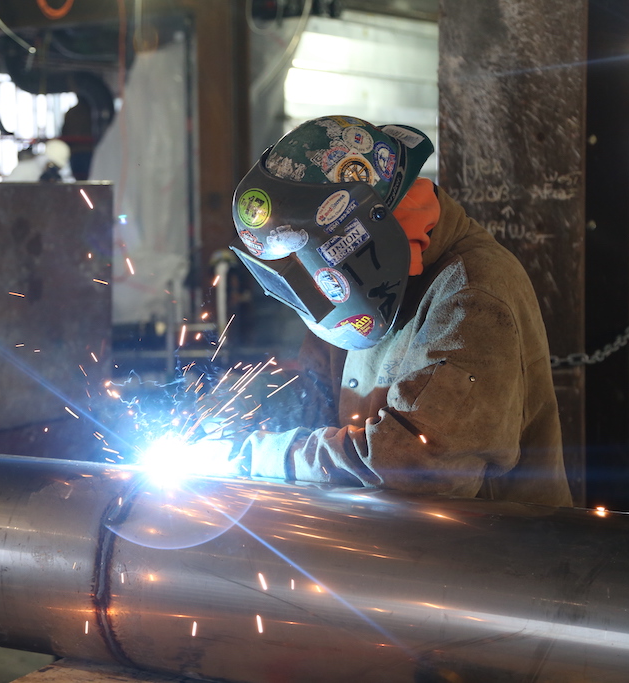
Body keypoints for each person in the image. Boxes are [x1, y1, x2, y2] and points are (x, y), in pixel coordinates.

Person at [227, 115, 572, 507]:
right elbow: (314, 389)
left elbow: (416, 465)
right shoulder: (352, 289)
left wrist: (261, 456)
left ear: (361, 230)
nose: (311, 279)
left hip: (491, 557)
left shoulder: (473, 293)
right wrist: (242, 411)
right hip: (394, 545)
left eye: (311, 262)